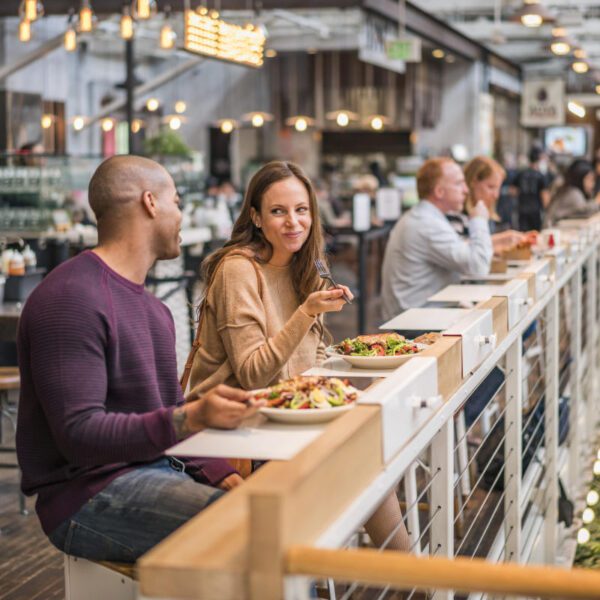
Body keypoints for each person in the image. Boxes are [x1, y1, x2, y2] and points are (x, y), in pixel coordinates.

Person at [16, 155, 263, 563]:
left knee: (272, 511)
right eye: (178, 203)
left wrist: (222, 471)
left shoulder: (154, 310)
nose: (182, 216)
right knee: (259, 529)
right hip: (87, 497)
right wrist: (192, 418)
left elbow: (169, 410)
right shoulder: (70, 298)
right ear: (151, 203)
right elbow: (78, 435)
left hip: (157, 471)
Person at [188, 160, 410, 551]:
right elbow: (254, 374)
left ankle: (413, 581)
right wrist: (306, 312)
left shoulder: (299, 266)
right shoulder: (238, 270)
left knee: (372, 450)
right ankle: (416, 580)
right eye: (278, 211)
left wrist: (350, 365)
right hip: (235, 430)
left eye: (301, 210)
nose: (293, 222)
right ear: (255, 217)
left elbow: (310, 358)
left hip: (283, 418)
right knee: (364, 462)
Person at [381, 157, 493, 321]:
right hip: (415, 323)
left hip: (419, 315)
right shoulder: (426, 223)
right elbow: (479, 267)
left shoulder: (425, 217)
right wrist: (479, 220)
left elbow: (463, 253)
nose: (465, 190)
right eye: (458, 183)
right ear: (439, 191)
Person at [463, 156, 526, 254]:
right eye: (491, 187)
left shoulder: (488, 214)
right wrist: (500, 241)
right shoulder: (457, 215)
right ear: (473, 182)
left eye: (498, 189)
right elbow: (459, 251)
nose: (496, 195)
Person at [544, 159, 600, 227]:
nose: (592, 184)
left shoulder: (568, 190)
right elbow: (585, 211)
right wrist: (597, 201)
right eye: (589, 179)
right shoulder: (574, 193)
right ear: (579, 177)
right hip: (552, 232)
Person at [513, 147, 550, 231]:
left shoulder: (521, 173)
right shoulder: (541, 176)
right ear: (539, 159)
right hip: (536, 211)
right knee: (535, 235)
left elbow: (513, 190)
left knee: (523, 236)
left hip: (522, 210)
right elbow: (545, 197)